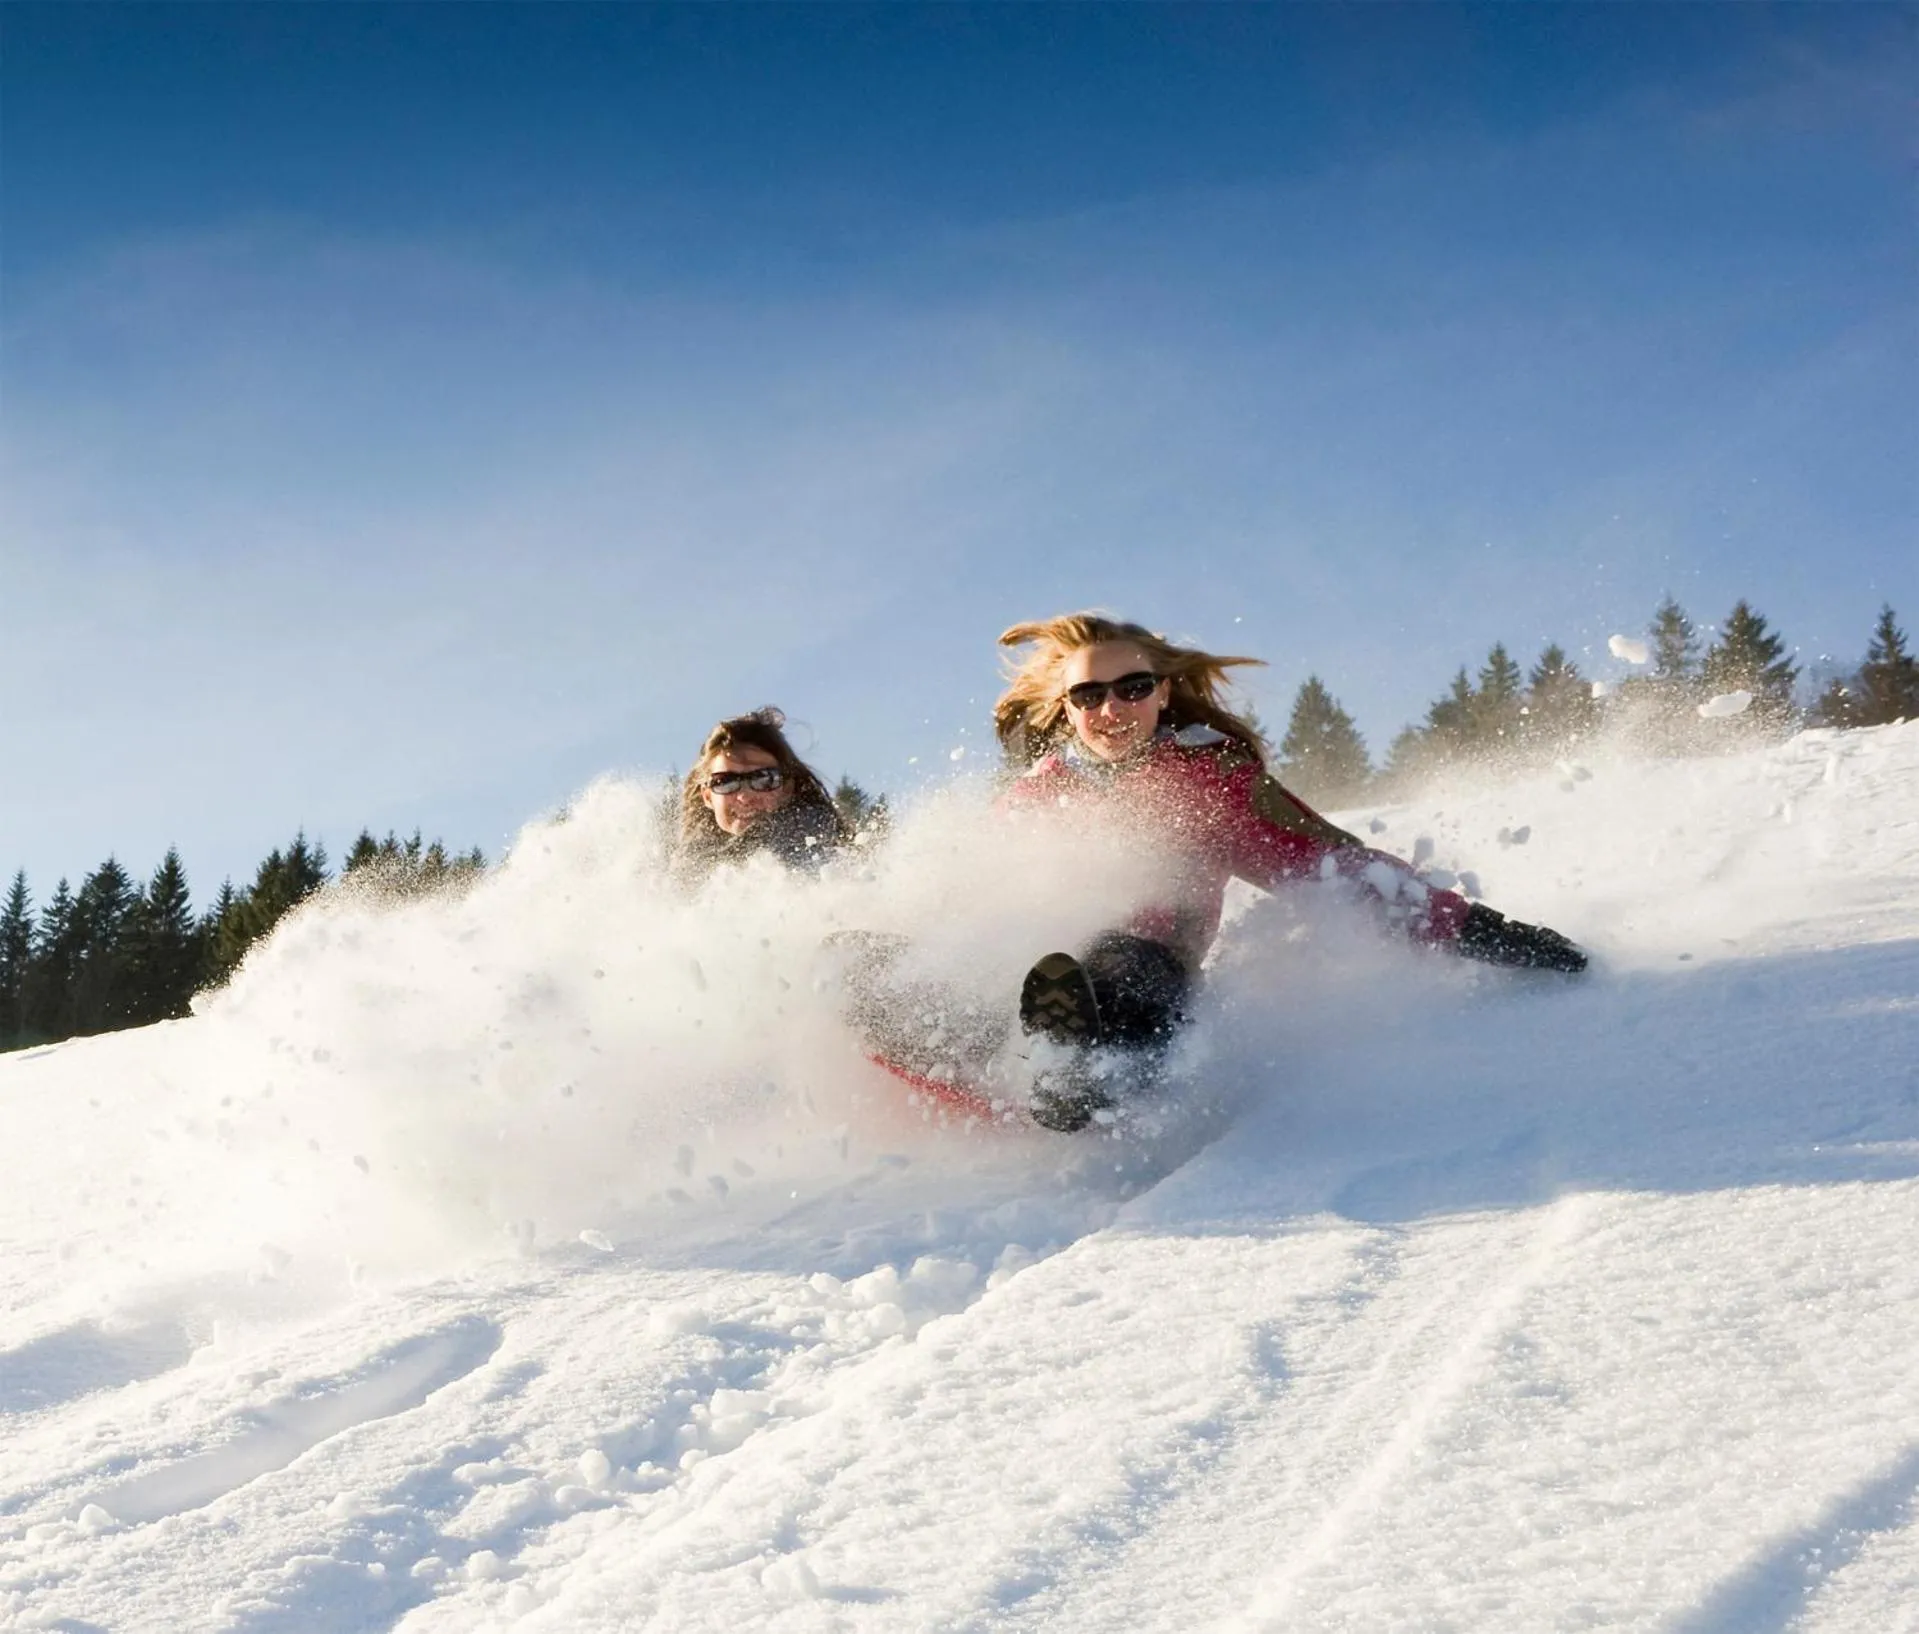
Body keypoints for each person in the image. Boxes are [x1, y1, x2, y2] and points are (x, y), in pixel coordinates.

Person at [995, 613, 1587, 1129]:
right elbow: (970, 892)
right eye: (1089, 695)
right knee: (995, 973)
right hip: (1032, 970)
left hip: (1149, 971)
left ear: (1164, 693)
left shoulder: (1211, 783)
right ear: (1066, 708)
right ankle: (1018, 1059)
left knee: (1124, 967)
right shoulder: (1035, 797)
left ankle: (1085, 1072)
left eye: (1133, 688)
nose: (1111, 709)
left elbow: (1335, 868)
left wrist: (1481, 930)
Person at [672, 708, 851, 886]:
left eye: (763, 779)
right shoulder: (692, 866)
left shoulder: (822, 854)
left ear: (787, 788)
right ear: (707, 797)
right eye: (725, 782)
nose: (744, 797)